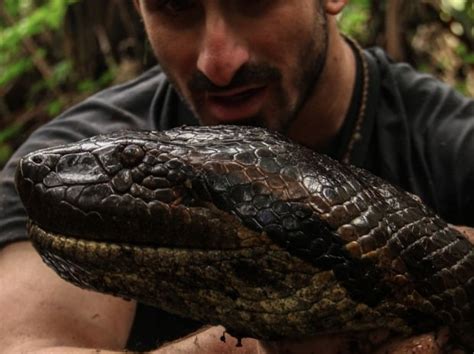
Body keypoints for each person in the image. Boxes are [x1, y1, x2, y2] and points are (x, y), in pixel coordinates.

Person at [0, 0, 473, 352]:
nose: (218, 62)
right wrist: (271, 346)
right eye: (173, 5)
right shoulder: (78, 148)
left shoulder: (456, 144)